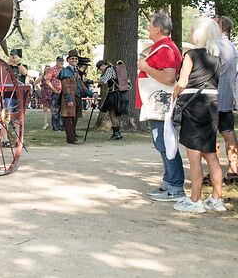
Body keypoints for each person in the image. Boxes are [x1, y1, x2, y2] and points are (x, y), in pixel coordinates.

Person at [172, 17, 225, 213]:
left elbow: (183, 82)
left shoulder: (191, 54)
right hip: (211, 105)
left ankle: (195, 200)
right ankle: (216, 198)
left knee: (193, 154)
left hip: (194, 106)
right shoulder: (217, 56)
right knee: (210, 153)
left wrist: (174, 95)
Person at [137, 13, 185, 202]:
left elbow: (169, 77)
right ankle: (169, 182)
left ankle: (175, 186)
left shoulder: (165, 49)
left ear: (157, 28)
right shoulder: (162, 47)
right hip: (156, 104)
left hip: (161, 104)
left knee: (166, 144)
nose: (148, 28)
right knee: (162, 144)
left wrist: (145, 67)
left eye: (150, 25)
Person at [213, 15, 238, 184]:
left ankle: (214, 171)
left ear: (221, 26)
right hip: (228, 96)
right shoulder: (232, 47)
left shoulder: (216, 46)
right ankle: (233, 170)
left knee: (210, 135)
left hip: (213, 96)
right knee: (228, 132)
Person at [59, 50, 88, 144]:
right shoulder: (65, 71)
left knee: (74, 118)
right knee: (68, 119)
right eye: (72, 58)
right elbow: (65, 86)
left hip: (77, 97)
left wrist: (91, 93)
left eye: (76, 58)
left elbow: (81, 84)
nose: (74, 60)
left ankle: (73, 136)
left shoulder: (76, 71)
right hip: (70, 98)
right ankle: (71, 139)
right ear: (68, 60)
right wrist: (69, 99)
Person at [96, 60, 130, 140]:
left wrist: (92, 81)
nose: (100, 69)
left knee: (112, 114)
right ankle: (118, 132)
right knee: (115, 114)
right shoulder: (113, 69)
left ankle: (116, 133)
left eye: (100, 67)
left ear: (103, 65)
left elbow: (104, 80)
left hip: (114, 94)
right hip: (119, 94)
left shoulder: (109, 69)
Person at [48, 56, 64, 131]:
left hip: (64, 92)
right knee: (55, 110)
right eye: (59, 61)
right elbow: (48, 81)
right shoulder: (53, 70)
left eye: (62, 61)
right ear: (56, 61)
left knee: (62, 110)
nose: (61, 62)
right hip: (56, 92)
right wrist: (54, 90)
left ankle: (61, 125)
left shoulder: (64, 70)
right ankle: (55, 126)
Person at [38, 65, 55, 130]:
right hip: (44, 93)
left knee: (52, 109)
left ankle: (53, 123)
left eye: (49, 69)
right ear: (44, 70)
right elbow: (35, 82)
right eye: (46, 68)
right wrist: (39, 89)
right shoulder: (42, 77)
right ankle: (45, 123)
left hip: (51, 92)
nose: (48, 70)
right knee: (45, 109)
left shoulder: (52, 77)